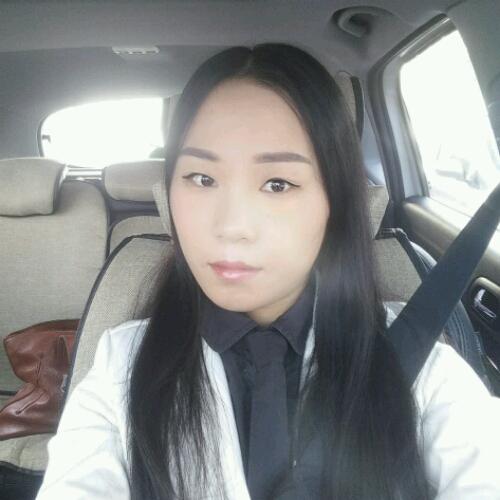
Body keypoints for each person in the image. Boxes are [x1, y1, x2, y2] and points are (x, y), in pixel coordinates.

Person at [35, 43, 500, 500]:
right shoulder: (121, 366)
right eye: (201, 178)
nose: (231, 227)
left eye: (278, 184)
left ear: (334, 203)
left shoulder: (423, 371)